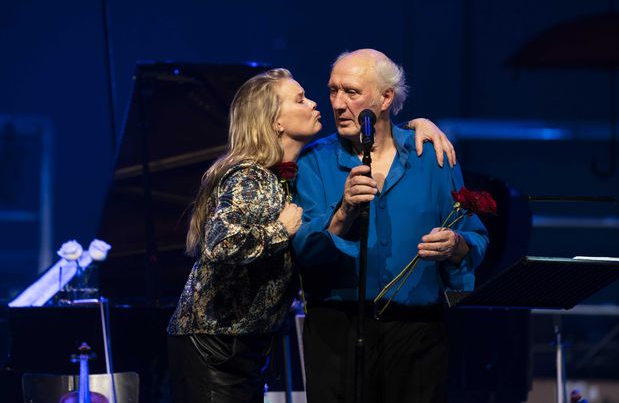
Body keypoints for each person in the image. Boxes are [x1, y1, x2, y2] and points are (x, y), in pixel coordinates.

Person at [167, 66, 459, 402]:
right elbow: (220, 246)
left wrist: (412, 124)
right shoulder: (249, 176)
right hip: (214, 344)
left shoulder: (280, 175)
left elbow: (382, 130)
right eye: (301, 99)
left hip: (245, 343)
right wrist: (282, 229)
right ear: (276, 121)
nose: (322, 104)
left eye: (345, 92)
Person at [292, 49, 490, 403]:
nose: (338, 104)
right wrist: (343, 212)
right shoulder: (315, 162)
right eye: (333, 91)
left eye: (351, 92)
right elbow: (302, 249)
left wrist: (455, 243)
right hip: (337, 329)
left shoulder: (431, 155)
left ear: (386, 97)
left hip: (417, 334)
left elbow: (475, 237)